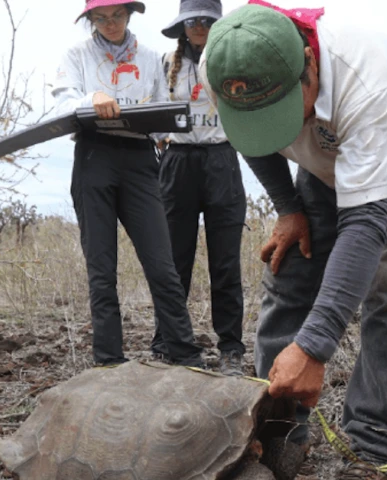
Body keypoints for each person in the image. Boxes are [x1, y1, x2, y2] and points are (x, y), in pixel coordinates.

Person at [200, 2, 387, 478]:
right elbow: (250, 138)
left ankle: (375, 449)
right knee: (290, 268)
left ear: (309, 65)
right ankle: (274, 433)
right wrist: (288, 207)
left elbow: (366, 225)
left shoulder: (368, 75)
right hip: (326, 150)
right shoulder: (221, 63)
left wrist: (316, 347)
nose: (277, 128)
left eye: (280, 112)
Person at [52, 0, 204, 368]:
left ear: (130, 14)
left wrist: (151, 120)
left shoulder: (151, 57)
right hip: (94, 157)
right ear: (90, 19)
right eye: (101, 18)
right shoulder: (77, 56)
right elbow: (62, 104)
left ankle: (185, 356)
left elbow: (167, 116)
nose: (111, 23)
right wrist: (93, 99)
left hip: (139, 159)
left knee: (162, 265)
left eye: (118, 15)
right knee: (102, 269)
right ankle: (109, 361)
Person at [152, 0, 247, 376]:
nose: (199, 26)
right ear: (182, 24)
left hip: (222, 159)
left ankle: (231, 349)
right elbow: (153, 109)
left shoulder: (233, 61)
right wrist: (160, 139)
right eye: (192, 20)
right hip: (178, 162)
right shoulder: (164, 64)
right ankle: (168, 343)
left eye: (207, 20)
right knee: (174, 260)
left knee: (225, 262)